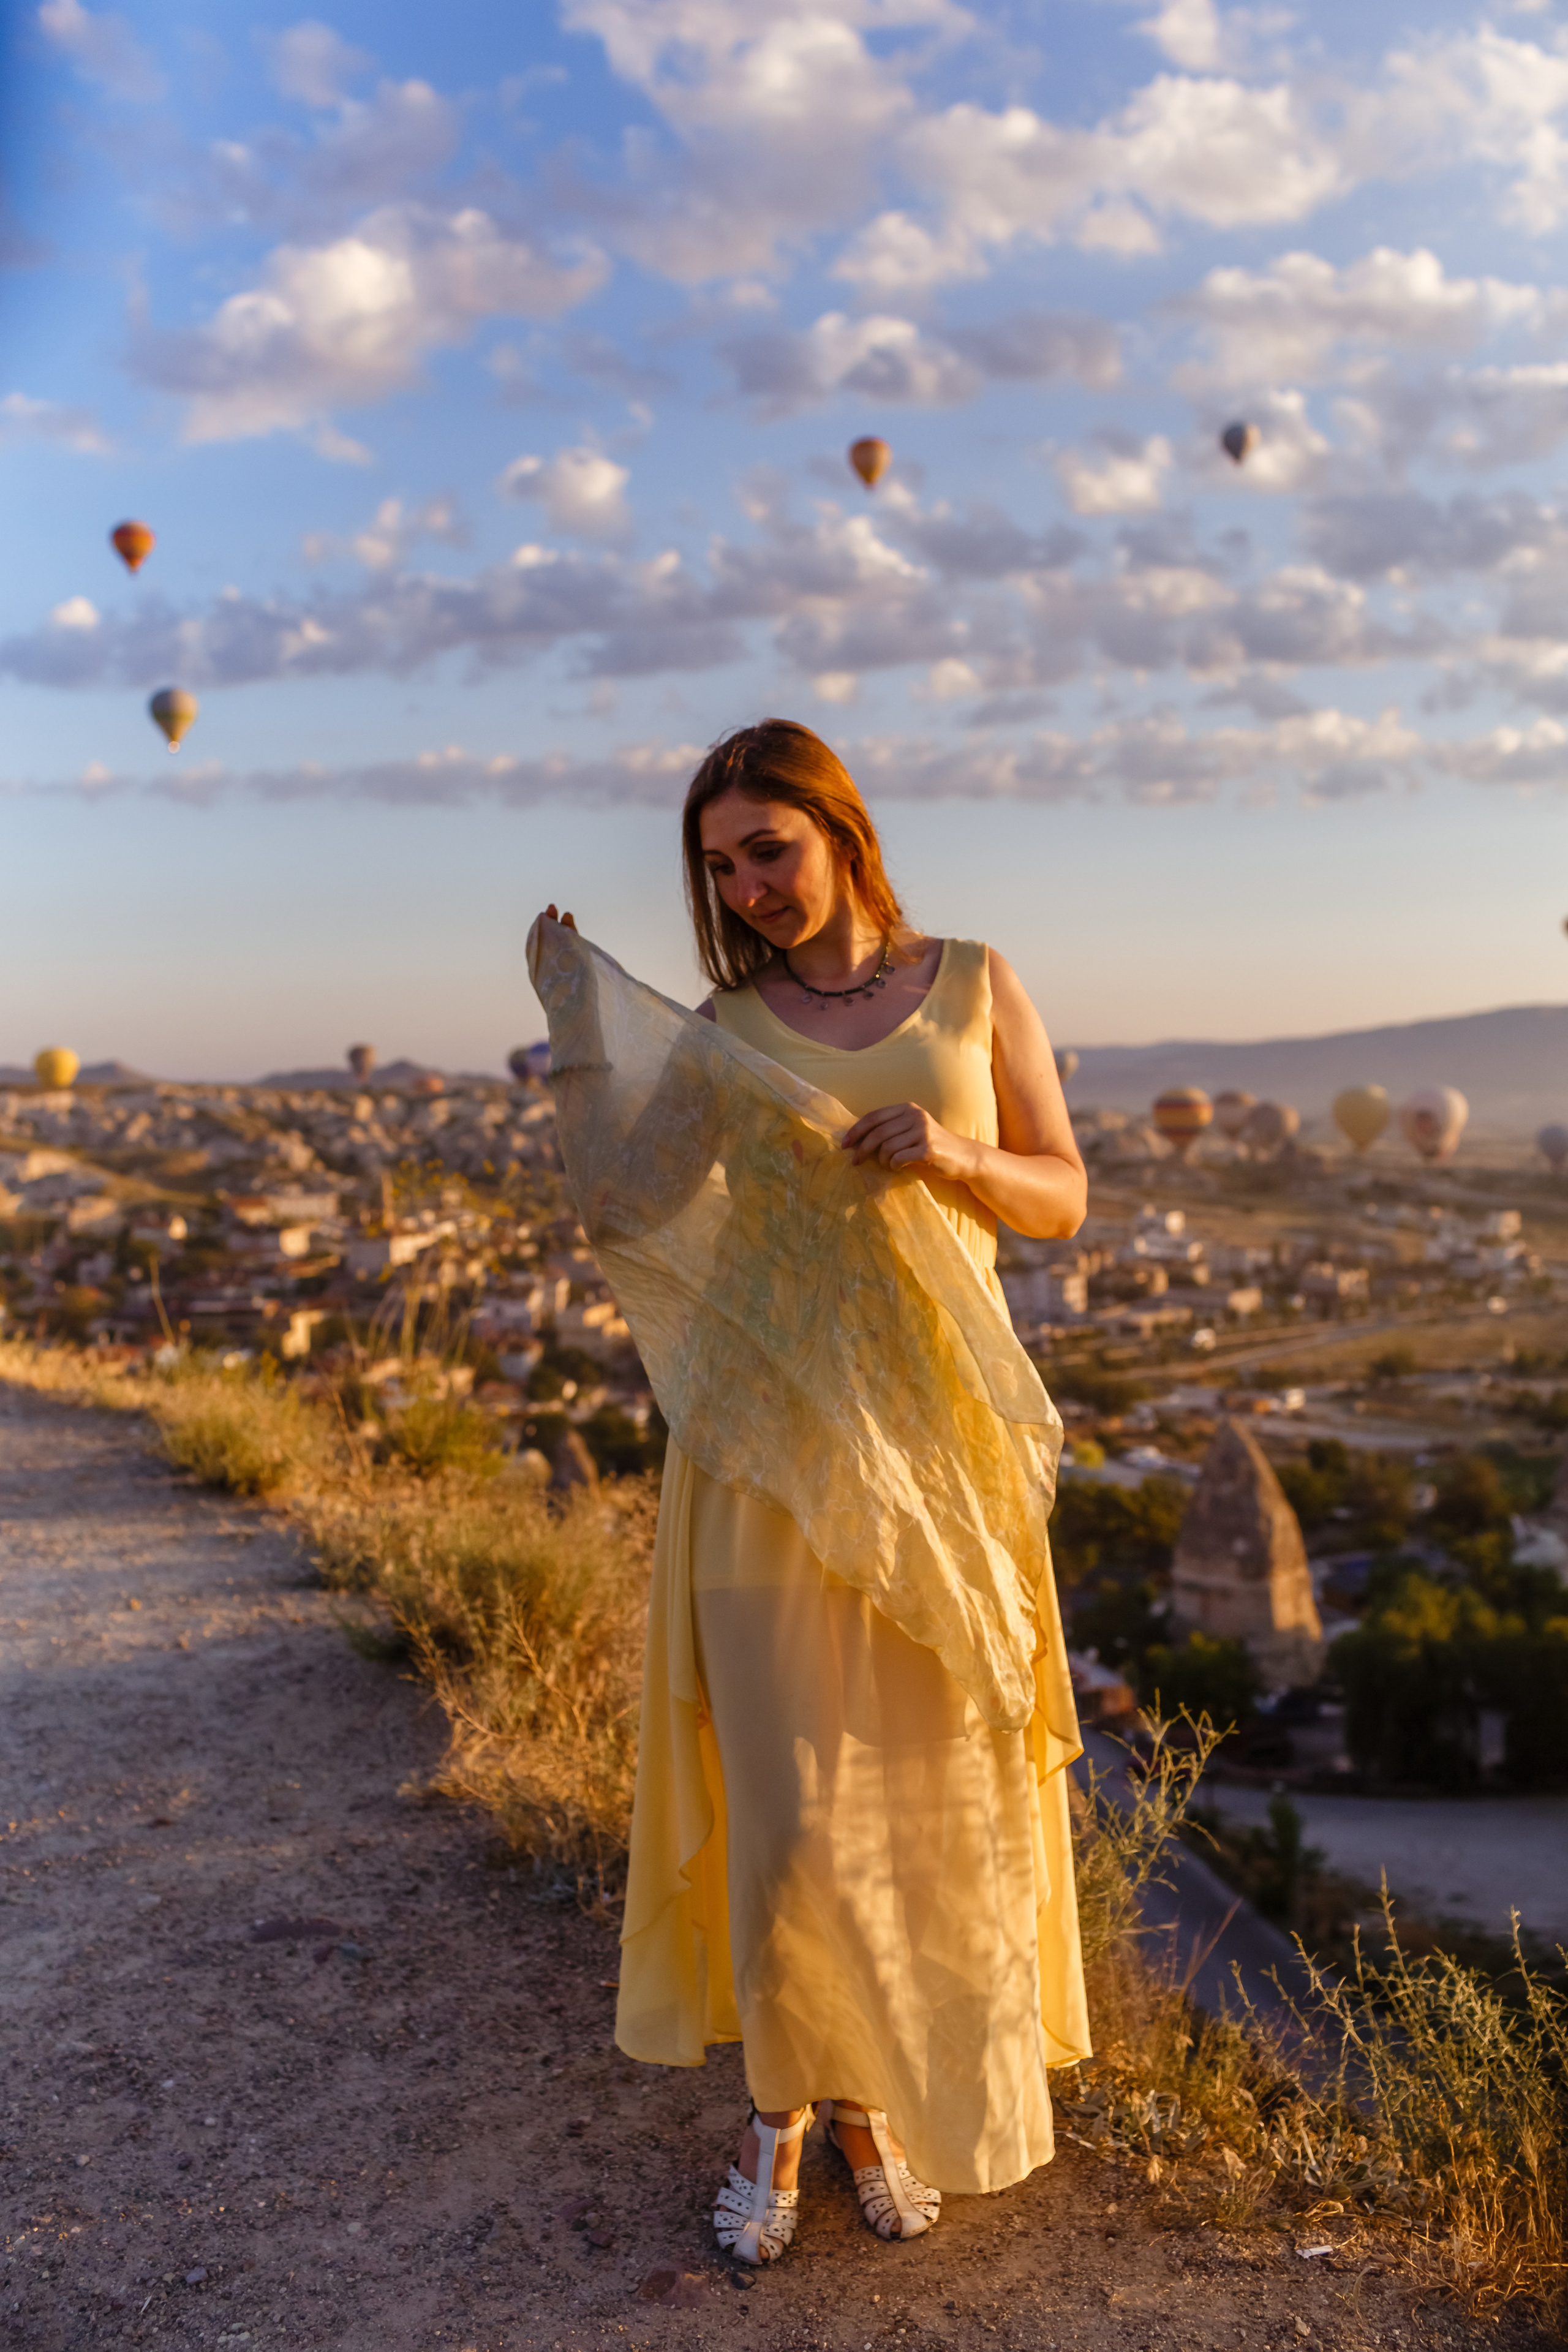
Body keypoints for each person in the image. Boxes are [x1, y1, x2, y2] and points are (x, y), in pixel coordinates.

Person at [538, 717, 1088, 2267]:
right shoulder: (722, 1028)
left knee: (927, 1802)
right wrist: (601, 1033)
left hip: (939, 1462)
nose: (747, 885)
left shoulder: (974, 983)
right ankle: (787, 2109)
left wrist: (957, 1162)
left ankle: (872, 2103)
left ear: (839, 827)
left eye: (765, 848)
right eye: (718, 865)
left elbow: (1060, 1190)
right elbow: (633, 1202)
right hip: (766, 1455)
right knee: (788, 1814)